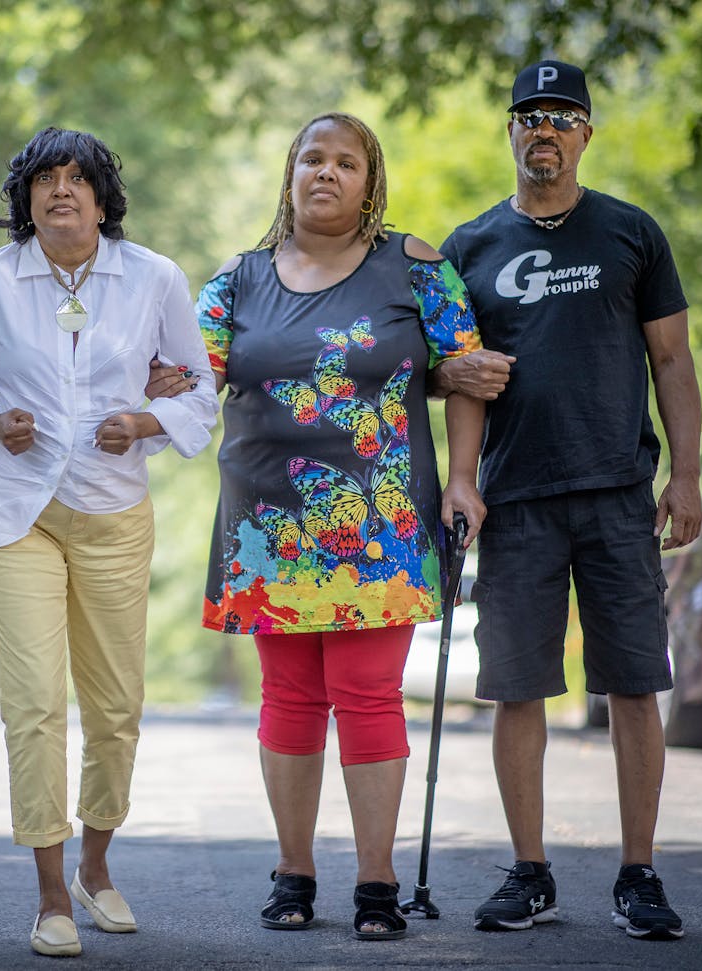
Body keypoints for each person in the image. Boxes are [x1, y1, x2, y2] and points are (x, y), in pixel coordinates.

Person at [0, 127, 219, 958]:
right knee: (37, 703)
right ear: (25, 198)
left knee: (116, 706)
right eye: (46, 179)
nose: (61, 192)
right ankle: (50, 893)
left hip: (116, 512)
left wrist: (144, 420)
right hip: (18, 514)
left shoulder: (153, 277)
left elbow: (200, 392)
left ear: (101, 196)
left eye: (78, 179)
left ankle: (95, 865)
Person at [196, 112, 487, 942]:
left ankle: (376, 880)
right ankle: (292, 872)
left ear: (371, 181)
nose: (327, 172)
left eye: (346, 162)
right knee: (287, 695)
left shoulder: (416, 265)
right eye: (312, 158)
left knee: (366, 694)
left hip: (380, 519)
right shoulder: (237, 278)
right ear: (289, 173)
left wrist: (462, 479)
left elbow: (467, 371)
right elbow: (181, 374)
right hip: (264, 525)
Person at [436, 59, 702, 941]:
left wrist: (688, 475)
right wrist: (462, 479)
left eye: (561, 115)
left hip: (621, 492)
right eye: (528, 115)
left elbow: (672, 360)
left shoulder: (631, 233)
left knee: (633, 684)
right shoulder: (471, 247)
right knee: (518, 689)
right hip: (515, 501)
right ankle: (530, 871)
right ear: (509, 131)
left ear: (586, 132)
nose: (542, 129)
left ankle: (639, 874)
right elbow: (464, 378)